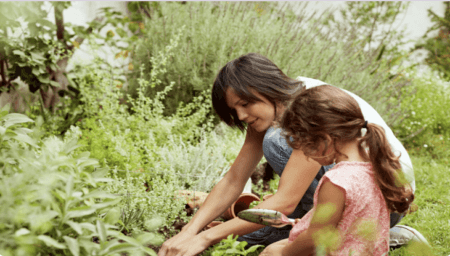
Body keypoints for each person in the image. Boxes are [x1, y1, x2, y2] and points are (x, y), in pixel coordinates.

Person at [157, 53, 425, 256]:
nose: (240, 115)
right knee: (249, 238)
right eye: (234, 109)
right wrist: (189, 231)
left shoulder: (310, 108)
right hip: (366, 200)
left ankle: (368, 232)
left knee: (275, 143)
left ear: (266, 88)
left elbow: (284, 202)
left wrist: (205, 238)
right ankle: (360, 236)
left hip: (385, 202)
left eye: (245, 104)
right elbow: (234, 179)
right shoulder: (272, 106)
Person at [259, 84, 414, 256]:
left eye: (307, 147)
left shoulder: (337, 181)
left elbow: (315, 238)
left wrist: (284, 253)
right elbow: (352, 214)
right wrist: (308, 221)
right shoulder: (376, 164)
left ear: (324, 139)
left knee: (271, 251)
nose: (308, 157)